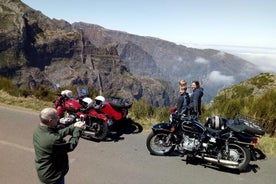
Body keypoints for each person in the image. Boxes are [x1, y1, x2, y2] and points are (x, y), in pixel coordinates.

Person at [33, 107, 85, 184]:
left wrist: (73, 126)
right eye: (56, 117)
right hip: (53, 177)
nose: (58, 118)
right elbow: (71, 145)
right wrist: (78, 130)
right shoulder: (52, 140)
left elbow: (56, 134)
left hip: (44, 171)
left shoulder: (40, 129)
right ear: (50, 120)